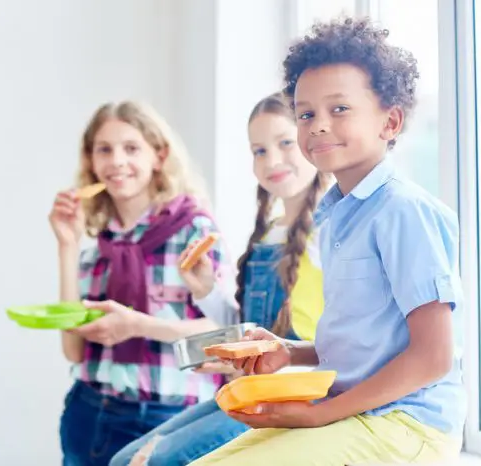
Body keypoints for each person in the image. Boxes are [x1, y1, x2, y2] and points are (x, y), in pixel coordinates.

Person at [189, 16, 466, 466]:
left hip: (407, 425)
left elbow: (433, 358)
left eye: (339, 109)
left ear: (390, 121)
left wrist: (320, 415)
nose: (317, 125)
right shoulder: (337, 215)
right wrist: (289, 352)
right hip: (355, 412)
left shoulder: (403, 211)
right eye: (306, 114)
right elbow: (365, 342)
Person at [109, 93, 330, 466]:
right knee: (125, 460)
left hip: (290, 397)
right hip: (251, 389)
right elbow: (248, 331)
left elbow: (334, 345)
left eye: (284, 143)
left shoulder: (329, 233)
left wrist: (266, 362)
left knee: (153, 462)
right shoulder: (269, 234)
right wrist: (207, 290)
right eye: (259, 150)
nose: (271, 160)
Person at [49, 100, 234, 466]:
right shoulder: (98, 246)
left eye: (131, 148)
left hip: (168, 419)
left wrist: (138, 326)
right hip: (89, 413)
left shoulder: (194, 232)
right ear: (91, 162)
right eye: (104, 149)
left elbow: (227, 336)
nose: (117, 161)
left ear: (159, 156)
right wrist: (67, 246)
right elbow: (73, 350)